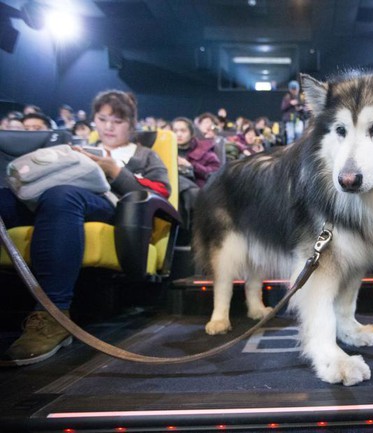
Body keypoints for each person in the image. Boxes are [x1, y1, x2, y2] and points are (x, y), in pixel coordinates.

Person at [0, 90, 171, 365]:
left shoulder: (144, 155)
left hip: (110, 207)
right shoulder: (75, 146)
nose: (109, 126)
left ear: (131, 123)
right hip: (50, 198)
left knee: (62, 196)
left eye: (117, 120)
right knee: (5, 199)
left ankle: (53, 314)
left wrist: (115, 171)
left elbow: (162, 192)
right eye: (102, 119)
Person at [172, 117, 221, 230]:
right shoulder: (166, 150)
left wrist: (191, 166)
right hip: (173, 188)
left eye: (183, 131)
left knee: (187, 190)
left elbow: (215, 174)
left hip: (196, 189)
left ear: (191, 133)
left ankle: (184, 233)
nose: (178, 134)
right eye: (175, 131)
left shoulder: (205, 152)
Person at [281, 80, 305, 144]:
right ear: (290, 89)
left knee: (299, 134)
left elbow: (305, 107)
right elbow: (283, 108)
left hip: (298, 118)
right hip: (290, 119)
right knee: (290, 137)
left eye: (295, 89)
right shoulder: (287, 97)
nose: (294, 90)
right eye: (293, 89)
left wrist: (300, 108)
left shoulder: (301, 97)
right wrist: (290, 103)